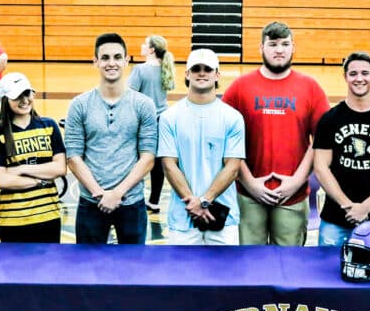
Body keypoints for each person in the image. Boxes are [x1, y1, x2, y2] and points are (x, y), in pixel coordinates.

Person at [222, 21, 329, 245]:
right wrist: (250, 182)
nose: (279, 49)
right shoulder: (239, 88)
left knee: (288, 264)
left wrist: (297, 181)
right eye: (272, 44)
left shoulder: (311, 88)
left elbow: (320, 142)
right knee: (250, 265)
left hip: (293, 195)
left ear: (293, 47)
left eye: (284, 44)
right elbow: (226, 142)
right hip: (248, 194)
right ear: (261, 48)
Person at [65, 33, 157, 244]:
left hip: (131, 203)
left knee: (133, 269)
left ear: (126, 61)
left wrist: (117, 193)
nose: (111, 63)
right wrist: (99, 194)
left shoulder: (143, 105)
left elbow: (148, 158)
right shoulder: (79, 105)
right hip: (91, 203)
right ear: (95, 61)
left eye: (117, 57)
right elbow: (73, 157)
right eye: (105, 58)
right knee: (88, 271)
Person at [312, 51, 370, 246]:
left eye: (365, 73)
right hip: (334, 218)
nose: (359, 78)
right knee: (325, 273)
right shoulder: (329, 120)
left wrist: (366, 207)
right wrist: (347, 205)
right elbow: (320, 167)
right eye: (353, 73)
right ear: (345, 77)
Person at [158, 49, 245, 245]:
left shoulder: (232, 118)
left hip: (223, 217)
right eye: (196, 68)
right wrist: (193, 202)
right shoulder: (169, 117)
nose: (202, 73)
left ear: (217, 75)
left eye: (208, 69)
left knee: (224, 276)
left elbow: (232, 167)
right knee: (182, 275)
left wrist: (204, 200)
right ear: (187, 74)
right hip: (183, 218)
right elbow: (169, 165)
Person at [0, 72, 67, 243]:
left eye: (27, 93)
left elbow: (60, 168)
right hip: (13, 220)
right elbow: (1, 180)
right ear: (5, 100)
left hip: (49, 217)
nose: (24, 100)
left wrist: (21, 169)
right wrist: (40, 181)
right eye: (17, 96)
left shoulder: (49, 125)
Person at [127, 34, 176, 213]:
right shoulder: (166, 68)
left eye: (145, 44)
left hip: (143, 120)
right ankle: (154, 201)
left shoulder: (140, 70)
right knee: (157, 164)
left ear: (151, 49)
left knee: (134, 158)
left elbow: (129, 96)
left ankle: (129, 195)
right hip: (162, 120)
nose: (141, 45)